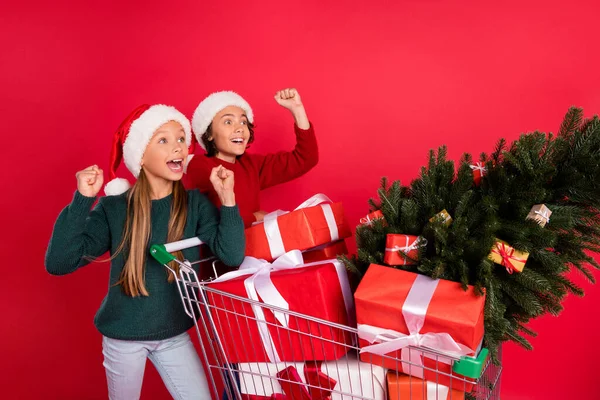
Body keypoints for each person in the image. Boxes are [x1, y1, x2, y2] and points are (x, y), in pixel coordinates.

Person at [45, 104, 245, 400]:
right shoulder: (114, 208)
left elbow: (231, 256)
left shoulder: (195, 204)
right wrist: (82, 201)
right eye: (163, 140)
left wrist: (228, 199)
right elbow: (59, 263)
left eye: (180, 139)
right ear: (140, 154)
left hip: (174, 334)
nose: (177, 147)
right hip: (123, 337)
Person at [185, 88, 319, 227]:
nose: (240, 128)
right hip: (222, 248)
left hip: (254, 246)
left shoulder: (251, 165)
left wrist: (297, 110)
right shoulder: (199, 166)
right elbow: (206, 224)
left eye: (243, 122)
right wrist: (254, 217)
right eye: (228, 122)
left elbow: (305, 159)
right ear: (208, 133)